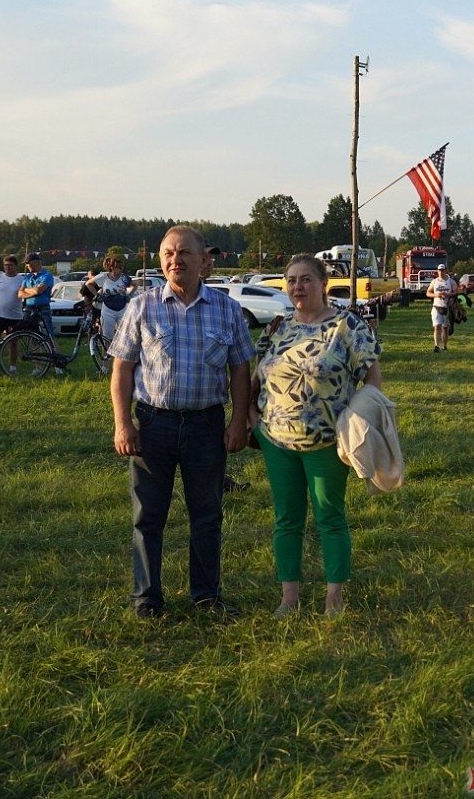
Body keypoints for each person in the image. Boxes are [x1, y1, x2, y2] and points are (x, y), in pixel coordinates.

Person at [110, 225, 255, 619]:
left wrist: (239, 421)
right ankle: (146, 598)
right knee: (148, 517)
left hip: (207, 426)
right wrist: (123, 425)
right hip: (152, 425)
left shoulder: (226, 309)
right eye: (168, 254)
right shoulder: (142, 306)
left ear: (203, 260)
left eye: (184, 253)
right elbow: (122, 369)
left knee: (207, 515)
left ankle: (206, 596)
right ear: (161, 261)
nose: (176, 260)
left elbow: (241, 370)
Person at [251, 254, 382, 617]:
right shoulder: (277, 327)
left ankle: (333, 598)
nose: (298, 287)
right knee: (286, 519)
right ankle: (288, 598)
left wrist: (355, 423)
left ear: (323, 284)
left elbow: (372, 380)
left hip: (327, 441)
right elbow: (257, 375)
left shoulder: (347, 326)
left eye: (306, 279)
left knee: (329, 517)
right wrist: (252, 419)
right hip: (276, 441)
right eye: (291, 280)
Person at [0, 255, 24, 373]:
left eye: (10, 265)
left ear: (15, 266)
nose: (7, 267)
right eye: (5, 265)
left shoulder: (21, 280)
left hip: (14, 316)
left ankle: (13, 367)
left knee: (13, 342)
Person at [92, 255, 133, 340]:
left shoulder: (124, 277)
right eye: (119, 267)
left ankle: (121, 353)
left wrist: (128, 293)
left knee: (124, 336)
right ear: (112, 268)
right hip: (108, 310)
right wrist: (98, 295)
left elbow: (135, 285)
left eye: (122, 267)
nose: (121, 269)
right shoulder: (104, 277)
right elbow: (88, 284)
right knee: (107, 337)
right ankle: (105, 353)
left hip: (122, 309)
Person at [18, 252, 56, 340]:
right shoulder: (27, 277)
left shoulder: (47, 275)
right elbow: (20, 294)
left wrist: (27, 290)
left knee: (48, 333)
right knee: (31, 334)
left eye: (28, 263)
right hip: (29, 308)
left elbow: (39, 290)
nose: (27, 266)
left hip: (43, 308)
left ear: (36, 262)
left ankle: (54, 351)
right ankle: (35, 353)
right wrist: (33, 291)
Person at [426, 265, 457, 352]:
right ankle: (436, 345)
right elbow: (428, 293)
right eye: (439, 270)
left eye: (442, 270)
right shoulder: (434, 282)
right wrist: (436, 295)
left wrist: (447, 295)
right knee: (437, 326)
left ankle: (445, 346)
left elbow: (455, 292)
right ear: (437, 271)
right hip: (436, 307)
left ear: (446, 271)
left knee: (445, 328)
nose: (441, 272)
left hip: (447, 307)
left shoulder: (451, 281)